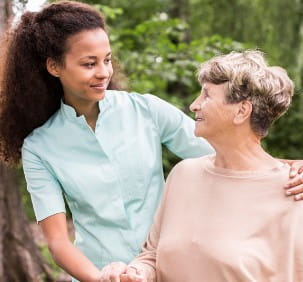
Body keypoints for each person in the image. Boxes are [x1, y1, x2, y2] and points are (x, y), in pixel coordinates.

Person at [0, 1, 302, 281]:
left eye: (106, 60)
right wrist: (102, 278)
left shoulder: (145, 110)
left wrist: (289, 170)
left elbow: (233, 151)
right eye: (89, 64)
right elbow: (56, 242)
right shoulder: (40, 147)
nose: (104, 72)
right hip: (101, 272)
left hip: (169, 268)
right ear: (54, 67)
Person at [107, 50, 303, 282]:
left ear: (242, 111)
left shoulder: (293, 192)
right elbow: (152, 255)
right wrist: (136, 273)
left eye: (207, 96)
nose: (194, 105)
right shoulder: (184, 174)